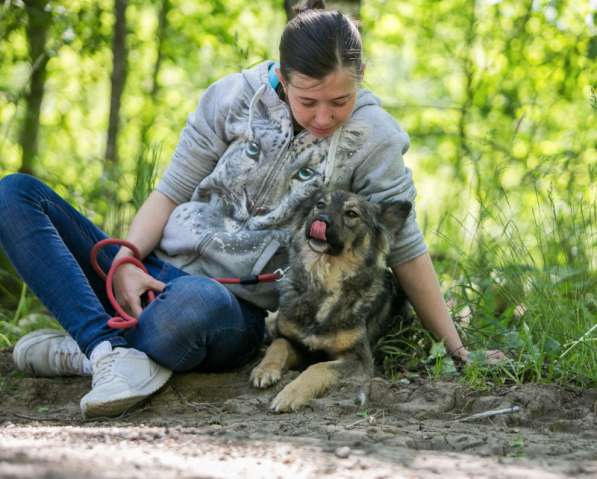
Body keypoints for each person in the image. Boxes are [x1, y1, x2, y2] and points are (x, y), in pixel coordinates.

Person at [0, 2, 502, 418]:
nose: (324, 117)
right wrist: (128, 263)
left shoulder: (375, 139)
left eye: (340, 101)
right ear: (283, 76)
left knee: (193, 311)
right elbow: (170, 192)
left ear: (361, 79)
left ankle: (94, 338)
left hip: (227, 308)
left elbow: (406, 248)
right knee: (15, 193)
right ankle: (106, 351)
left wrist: (457, 352)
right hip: (153, 271)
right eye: (308, 102)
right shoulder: (230, 97)